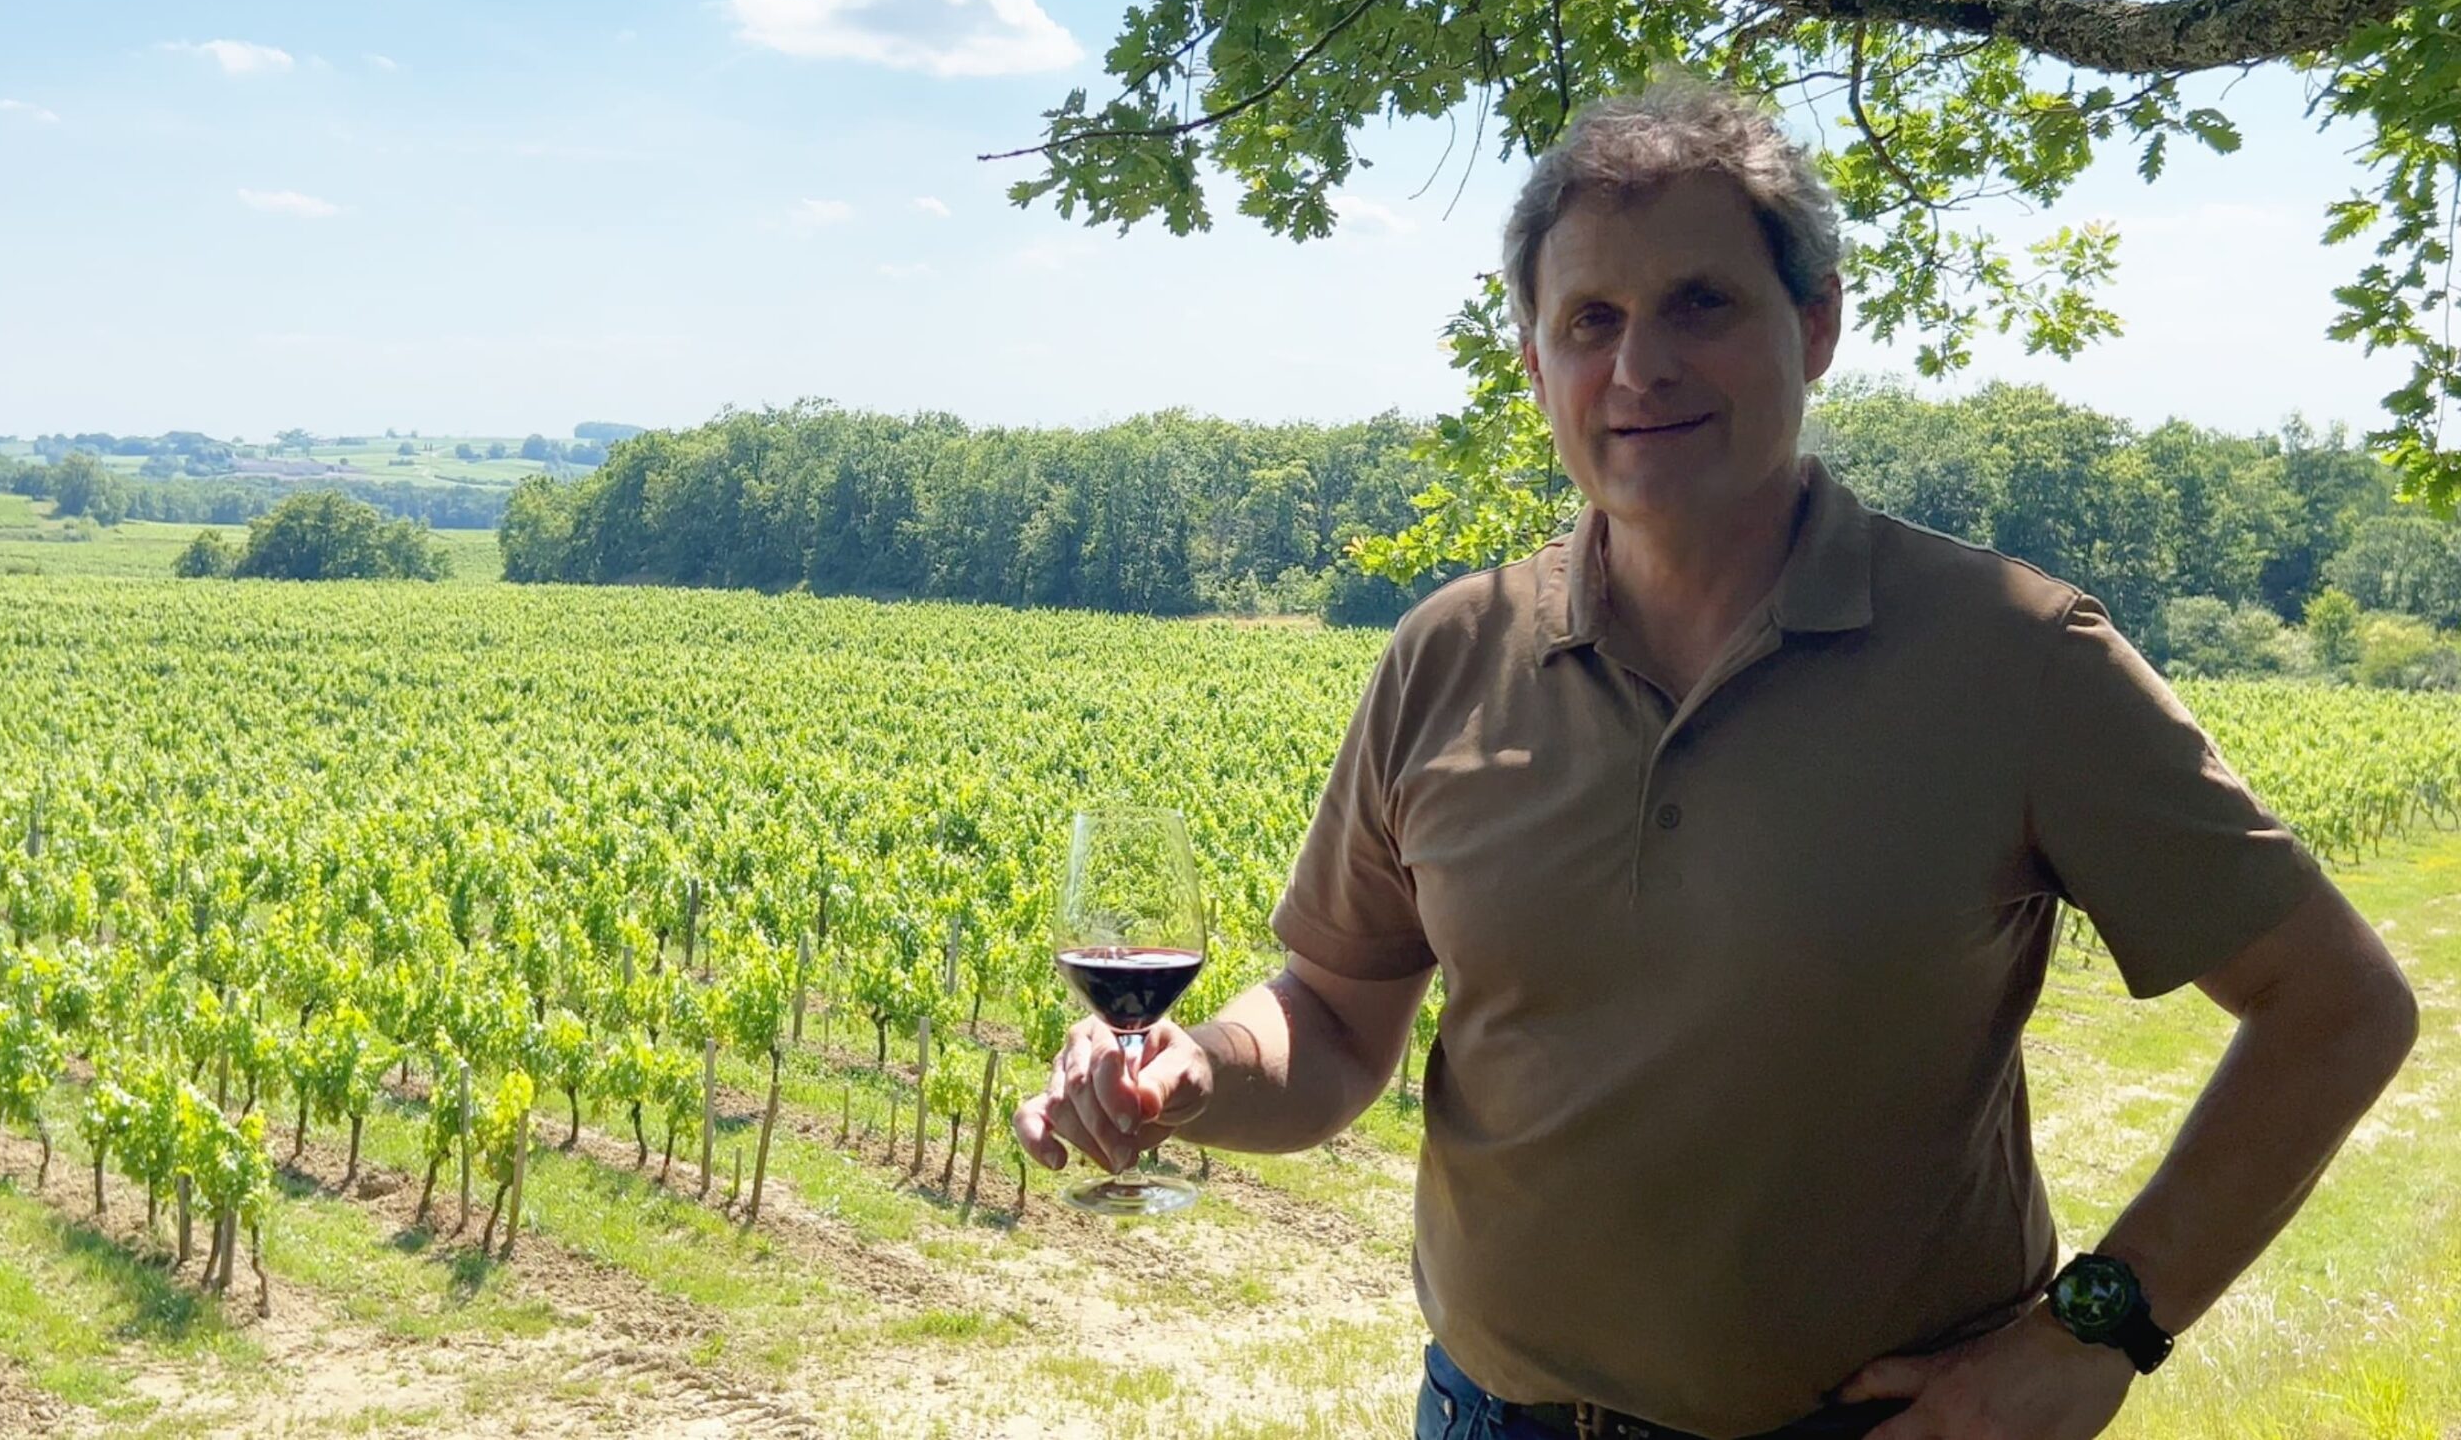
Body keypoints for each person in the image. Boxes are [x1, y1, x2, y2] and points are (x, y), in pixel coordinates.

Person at [1012, 77, 2421, 1440]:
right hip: (1488, 1417)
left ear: (1815, 325)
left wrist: (2098, 1328)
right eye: (1592, 320)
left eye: (1701, 304)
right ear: (1535, 360)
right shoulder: (1447, 654)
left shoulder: (2015, 655)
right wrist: (1190, 1065)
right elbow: (1329, 1022)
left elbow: (2337, 1005)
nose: (1641, 367)